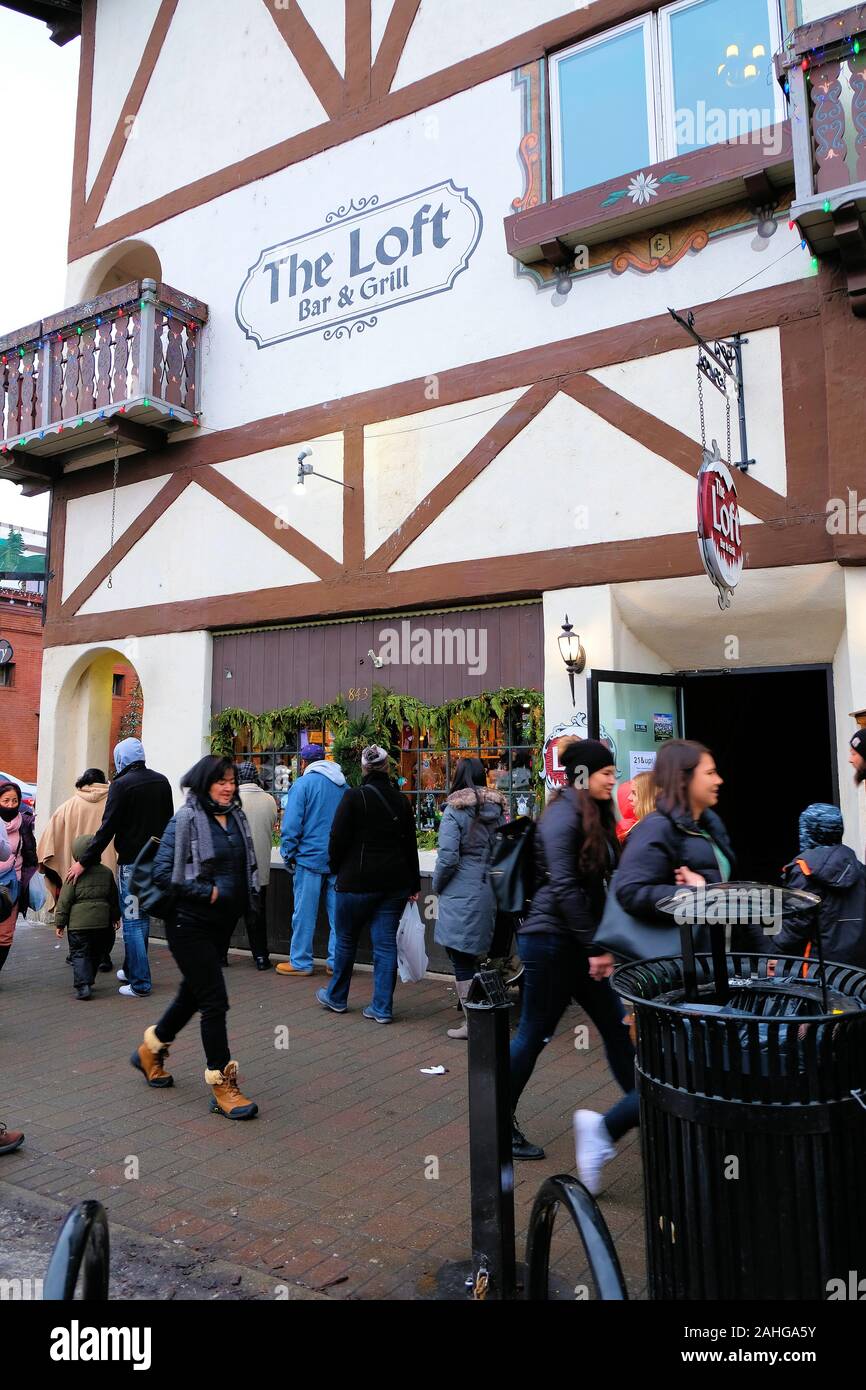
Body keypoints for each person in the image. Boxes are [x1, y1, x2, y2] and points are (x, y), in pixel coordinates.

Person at [509, 739, 637, 1173]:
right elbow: (564, 888)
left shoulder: (590, 813)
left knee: (617, 1029)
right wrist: (595, 948)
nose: (613, 779)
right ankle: (496, 1124)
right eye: (606, 773)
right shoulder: (561, 817)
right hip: (551, 943)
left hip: (578, 944)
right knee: (533, 1035)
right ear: (584, 774)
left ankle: (643, 1109)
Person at [132, 756, 260, 1120]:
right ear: (205, 782)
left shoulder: (236, 817)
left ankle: (150, 1050)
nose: (228, 787)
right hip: (188, 924)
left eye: (232, 781)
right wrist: (208, 893)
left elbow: (242, 864)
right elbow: (161, 873)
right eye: (221, 781)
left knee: (193, 994)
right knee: (214, 1001)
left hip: (222, 925)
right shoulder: (186, 819)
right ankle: (222, 1085)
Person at [318, 745, 420, 1023]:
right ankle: (382, 1007)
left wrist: (336, 869)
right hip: (393, 885)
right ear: (387, 768)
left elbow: (336, 839)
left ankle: (337, 997)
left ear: (364, 768)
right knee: (385, 945)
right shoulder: (400, 801)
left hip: (356, 884)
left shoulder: (353, 797)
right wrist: (413, 883)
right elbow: (409, 844)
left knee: (346, 940)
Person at [66, 738, 173, 998]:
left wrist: (83, 861)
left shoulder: (121, 785)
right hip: (156, 862)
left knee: (133, 922)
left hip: (132, 867)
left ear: (120, 759)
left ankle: (140, 983)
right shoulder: (161, 781)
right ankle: (131, 967)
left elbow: (107, 828)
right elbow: (169, 822)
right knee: (143, 918)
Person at [432, 758, 507, 1039]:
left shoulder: (454, 810)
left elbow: (448, 857)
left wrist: (438, 885)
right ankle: (481, 1011)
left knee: (460, 956)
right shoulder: (498, 810)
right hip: (488, 887)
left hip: (461, 890)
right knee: (472, 955)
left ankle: (474, 1022)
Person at [276, 742, 347, 977]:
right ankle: (336, 962)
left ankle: (301, 961)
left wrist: (288, 853)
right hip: (337, 859)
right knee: (337, 915)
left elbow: (292, 825)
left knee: (304, 914)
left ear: (304, 763)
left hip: (309, 859)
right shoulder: (343, 785)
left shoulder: (303, 784)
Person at [37, 767, 118, 973]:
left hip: (75, 870)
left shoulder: (68, 807)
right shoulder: (114, 804)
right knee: (106, 909)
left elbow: (47, 844)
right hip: (107, 869)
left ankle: (77, 953)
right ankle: (103, 956)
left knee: (77, 909)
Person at [776, 803, 866, 969]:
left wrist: (769, 939)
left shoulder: (804, 870)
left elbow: (793, 929)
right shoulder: (859, 869)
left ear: (807, 831)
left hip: (818, 974)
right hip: (856, 973)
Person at [52, 834, 121, 1000]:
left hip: (78, 926)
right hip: (102, 924)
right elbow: (113, 897)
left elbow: (65, 901)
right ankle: (89, 979)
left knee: (79, 953)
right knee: (96, 952)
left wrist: (60, 923)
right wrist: (115, 917)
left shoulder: (72, 874)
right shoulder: (106, 873)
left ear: (75, 854)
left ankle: (83, 985)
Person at [36, 768, 117, 903]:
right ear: (104, 782)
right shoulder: (114, 805)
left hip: (74, 873)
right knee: (104, 912)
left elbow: (46, 849)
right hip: (108, 874)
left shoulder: (66, 807)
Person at [236, 761, 279, 970]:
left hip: (234, 869)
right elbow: (272, 825)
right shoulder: (269, 800)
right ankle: (261, 957)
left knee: (227, 914)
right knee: (257, 914)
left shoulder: (231, 800)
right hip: (260, 868)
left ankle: (219, 956)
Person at [0, 780, 38, 976]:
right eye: (5, 800)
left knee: (5, 934)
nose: (10, 805)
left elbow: (31, 854)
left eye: (14, 800)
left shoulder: (24, 823)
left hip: (12, 884)